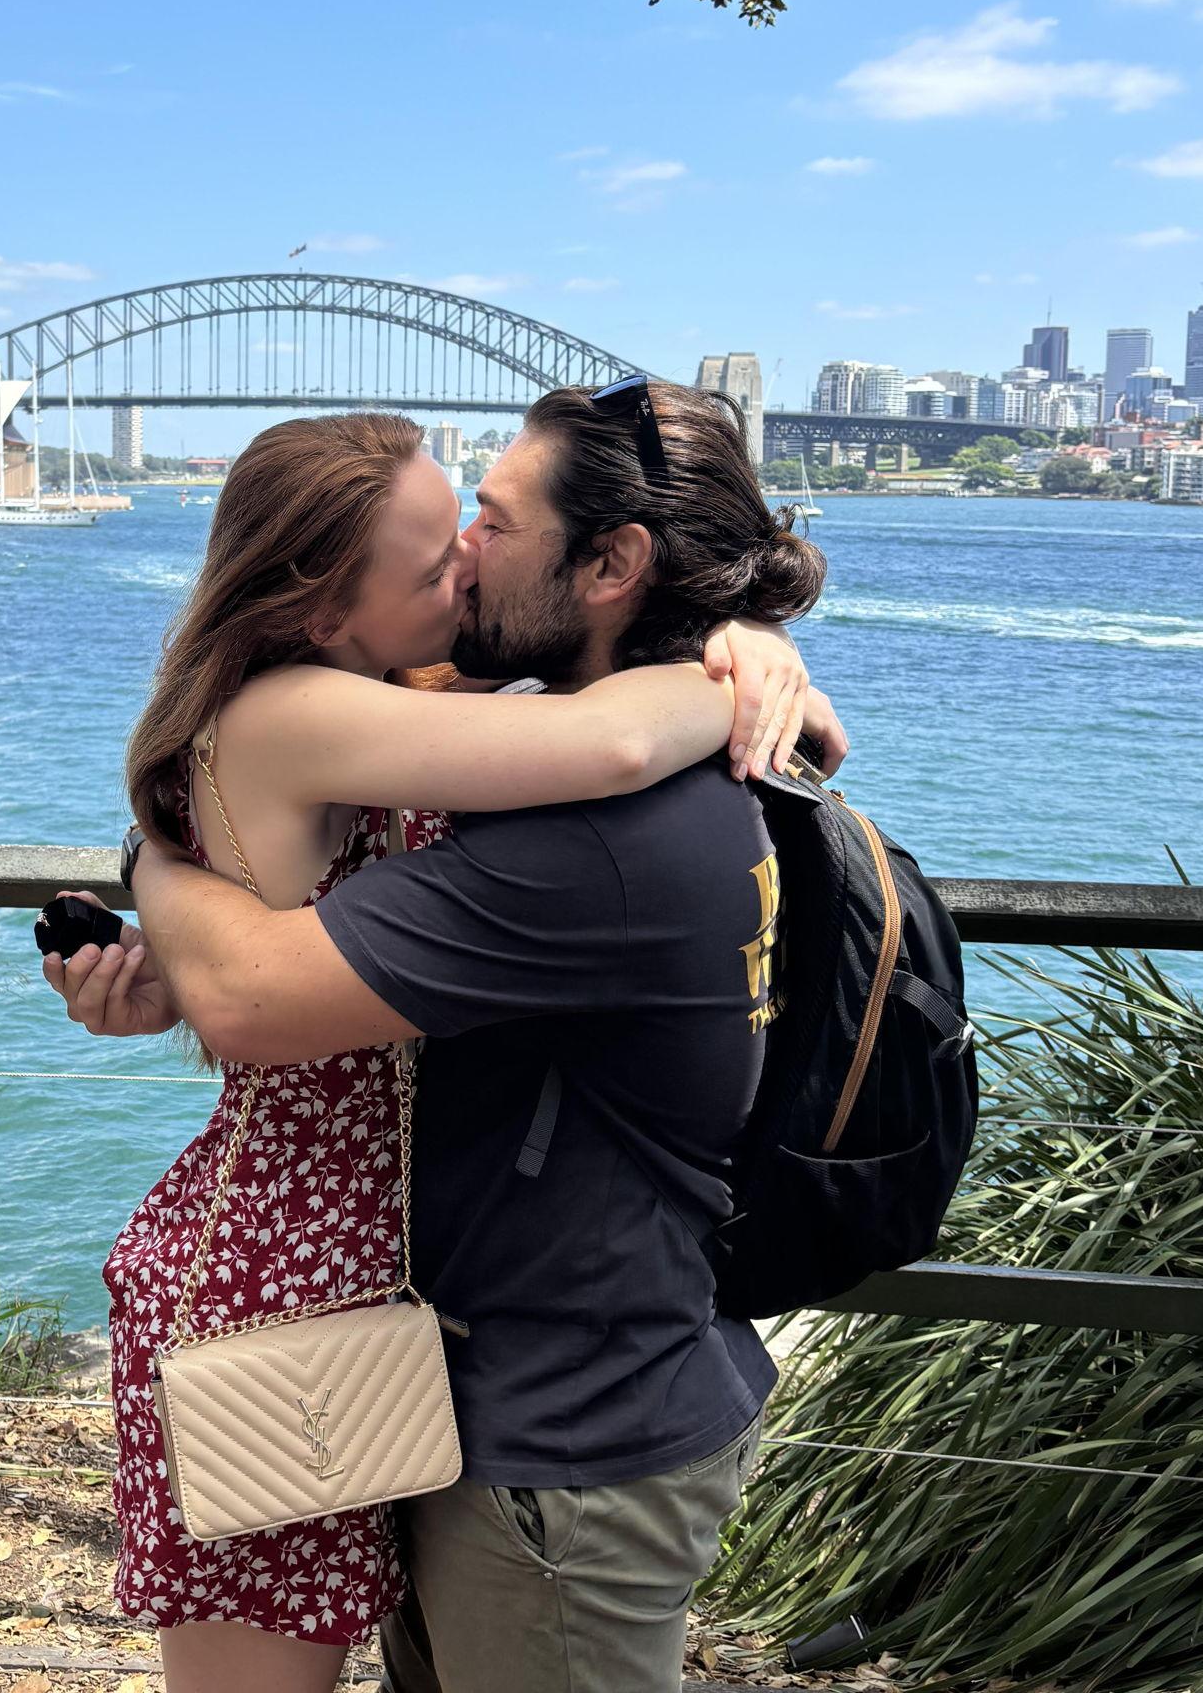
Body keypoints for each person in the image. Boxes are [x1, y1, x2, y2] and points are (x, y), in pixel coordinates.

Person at [44, 400, 840, 1693]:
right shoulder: (315, 708)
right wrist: (735, 671)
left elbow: (576, 742)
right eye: (438, 554)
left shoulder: (410, 699)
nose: (468, 555)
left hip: (379, 1293)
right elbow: (615, 735)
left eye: (483, 521)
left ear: (611, 564)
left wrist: (748, 650)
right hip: (278, 1283)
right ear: (321, 607)